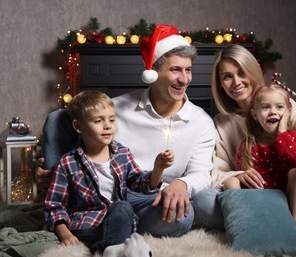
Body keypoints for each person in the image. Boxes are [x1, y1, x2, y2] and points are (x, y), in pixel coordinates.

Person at [37, 24, 216, 237]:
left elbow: (202, 173)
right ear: (154, 72)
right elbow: (87, 141)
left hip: (154, 198)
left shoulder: (201, 122)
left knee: (181, 217)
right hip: (111, 191)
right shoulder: (117, 108)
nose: (184, 79)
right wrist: (58, 172)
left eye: (188, 70)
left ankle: (105, 225)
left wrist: (182, 184)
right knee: (58, 118)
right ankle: (59, 200)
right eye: (175, 69)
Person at [193, 44, 296, 236]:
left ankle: (258, 226)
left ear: (253, 72)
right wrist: (236, 175)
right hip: (252, 199)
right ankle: (278, 226)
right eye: (227, 76)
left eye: (241, 73)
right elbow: (218, 173)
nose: (236, 82)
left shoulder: (283, 105)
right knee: (203, 201)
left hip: (294, 199)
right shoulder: (221, 123)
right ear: (220, 83)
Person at [44, 90, 174, 254]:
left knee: (122, 207)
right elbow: (55, 207)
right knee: (124, 215)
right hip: (87, 227)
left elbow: (141, 184)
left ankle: (109, 250)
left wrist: (158, 168)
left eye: (112, 120)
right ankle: (115, 249)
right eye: (98, 121)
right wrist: (66, 235)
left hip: (118, 221)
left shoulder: (122, 153)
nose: (107, 126)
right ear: (78, 126)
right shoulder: (67, 163)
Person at [224, 82, 296, 227]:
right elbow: (245, 178)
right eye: (265, 107)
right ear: (255, 114)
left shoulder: (293, 137)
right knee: (230, 181)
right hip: (259, 202)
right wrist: (242, 175)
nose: (273, 112)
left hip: (288, 199)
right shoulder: (248, 144)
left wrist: (282, 134)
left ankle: (294, 228)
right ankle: (247, 223)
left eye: (279, 107)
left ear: (288, 111)